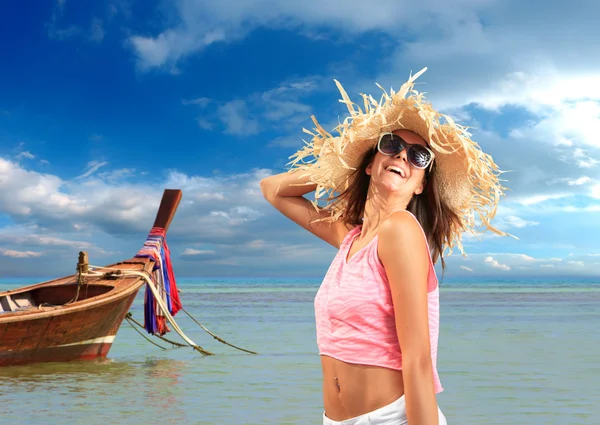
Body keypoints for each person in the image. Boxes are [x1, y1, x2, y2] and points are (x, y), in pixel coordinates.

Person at [260, 67, 509, 425]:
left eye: (418, 156)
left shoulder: (400, 230)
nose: (403, 157)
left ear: (421, 185)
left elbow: (419, 358)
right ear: (369, 163)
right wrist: (343, 162)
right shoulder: (350, 237)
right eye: (391, 146)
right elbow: (273, 189)